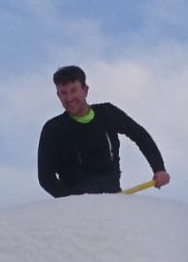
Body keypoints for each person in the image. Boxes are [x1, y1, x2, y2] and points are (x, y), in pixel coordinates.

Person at [38, 66, 171, 198]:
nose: (69, 98)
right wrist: (70, 201)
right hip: (76, 207)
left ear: (85, 90)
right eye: (63, 93)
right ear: (58, 95)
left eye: (73, 91)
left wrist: (159, 168)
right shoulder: (53, 129)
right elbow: (45, 177)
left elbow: (140, 136)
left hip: (112, 200)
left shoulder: (108, 113)